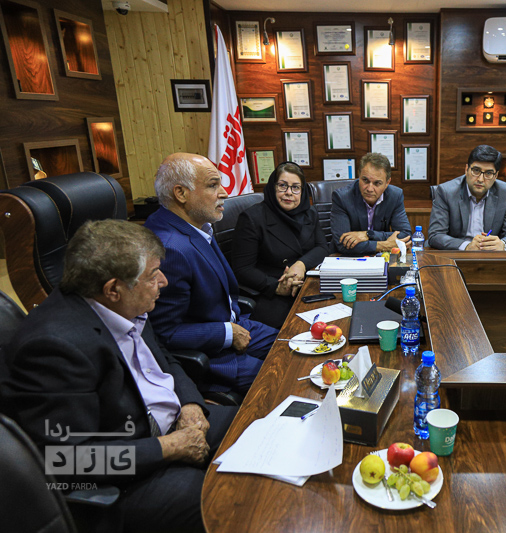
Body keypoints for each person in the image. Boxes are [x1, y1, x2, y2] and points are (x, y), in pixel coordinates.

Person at [0, 220, 236, 533]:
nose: (164, 281)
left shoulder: (126, 303)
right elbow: (65, 459)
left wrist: (191, 404)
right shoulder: (54, 348)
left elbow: (164, 359)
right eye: (153, 275)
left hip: (169, 424)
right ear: (113, 289)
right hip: (125, 478)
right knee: (221, 500)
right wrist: (169, 447)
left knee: (253, 423)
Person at [145, 153, 278, 394]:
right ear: (181, 193)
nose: (224, 193)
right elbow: (163, 333)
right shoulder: (170, 249)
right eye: (212, 185)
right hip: (213, 354)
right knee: (284, 376)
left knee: (296, 345)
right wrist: (226, 333)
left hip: (234, 323)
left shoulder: (196, 225)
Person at [232, 162, 329, 329]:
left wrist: (300, 264)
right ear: (273, 187)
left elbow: (322, 247)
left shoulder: (309, 213)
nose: (289, 192)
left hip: (306, 284)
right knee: (293, 332)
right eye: (283, 186)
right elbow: (242, 269)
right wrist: (277, 287)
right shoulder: (252, 218)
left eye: (295, 187)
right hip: (272, 291)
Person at [428, 144, 506, 250]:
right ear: (466, 169)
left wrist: (502, 244)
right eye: (476, 170)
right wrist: (467, 246)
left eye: (488, 173)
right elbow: (435, 235)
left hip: (490, 254)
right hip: (456, 254)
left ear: (495, 176)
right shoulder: (446, 192)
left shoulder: (505, 193)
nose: (480, 179)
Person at [330, 152, 411, 255]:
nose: (369, 189)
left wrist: (368, 234)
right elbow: (342, 244)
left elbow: (405, 235)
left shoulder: (395, 196)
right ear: (359, 176)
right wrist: (384, 245)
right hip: (348, 258)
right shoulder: (342, 197)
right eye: (365, 180)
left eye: (377, 183)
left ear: (387, 183)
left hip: (380, 258)